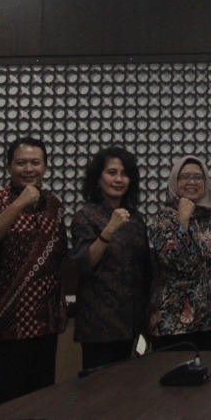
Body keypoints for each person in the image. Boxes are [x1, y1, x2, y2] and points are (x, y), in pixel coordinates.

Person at [0, 137, 67, 405]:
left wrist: (59, 306)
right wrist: (18, 204)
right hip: (8, 323)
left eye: (35, 162)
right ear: (9, 167)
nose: (29, 169)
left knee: (41, 401)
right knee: (9, 403)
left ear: (45, 166)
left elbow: (59, 257)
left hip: (45, 322)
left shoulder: (54, 205)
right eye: (21, 163)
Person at [69, 146, 150, 373]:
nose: (118, 179)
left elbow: (144, 270)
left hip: (132, 323)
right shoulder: (86, 216)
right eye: (112, 172)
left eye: (124, 174)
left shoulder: (136, 220)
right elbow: (84, 263)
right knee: (100, 389)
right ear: (98, 178)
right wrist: (109, 230)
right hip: (99, 325)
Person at [148, 155, 211, 351]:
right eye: (184, 177)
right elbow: (175, 260)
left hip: (208, 321)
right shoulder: (164, 219)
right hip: (172, 322)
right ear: (174, 181)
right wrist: (182, 221)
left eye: (198, 177)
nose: (192, 182)